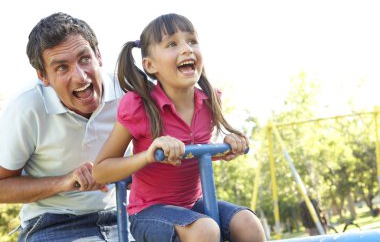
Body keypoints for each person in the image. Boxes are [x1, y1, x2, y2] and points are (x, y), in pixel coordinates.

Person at [93, 13, 266, 242]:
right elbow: (101, 170)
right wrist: (148, 156)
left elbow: (196, 150)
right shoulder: (139, 106)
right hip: (148, 213)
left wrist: (226, 146)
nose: (187, 49)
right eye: (172, 44)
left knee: (248, 223)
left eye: (192, 41)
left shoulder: (209, 101)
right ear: (150, 65)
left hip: (194, 205)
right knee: (205, 230)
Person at [0, 12, 127, 241]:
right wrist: (65, 181)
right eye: (61, 68)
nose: (80, 76)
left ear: (98, 56)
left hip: (125, 214)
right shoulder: (27, 107)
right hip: (53, 222)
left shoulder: (129, 91)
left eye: (84, 59)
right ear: (43, 76)